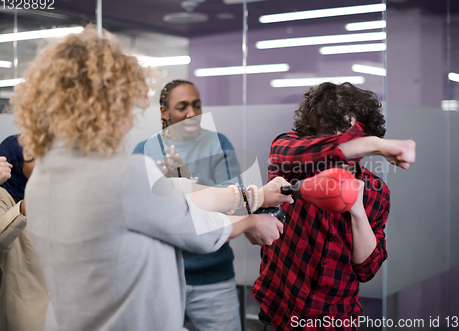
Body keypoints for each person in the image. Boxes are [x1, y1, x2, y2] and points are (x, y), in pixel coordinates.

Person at [12, 27, 291, 331]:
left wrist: (247, 196)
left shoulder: (41, 179)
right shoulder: (124, 173)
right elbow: (196, 227)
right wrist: (253, 210)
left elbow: (171, 203)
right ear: (108, 104)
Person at [251, 82, 416, 331]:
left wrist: (357, 211)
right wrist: (376, 145)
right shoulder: (292, 162)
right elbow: (285, 152)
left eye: (347, 131)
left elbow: (367, 268)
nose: (338, 140)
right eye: (329, 131)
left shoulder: (376, 191)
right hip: (280, 309)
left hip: (335, 319)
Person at [134, 80, 247, 331]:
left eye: (197, 106)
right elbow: (139, 216)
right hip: (161, 278)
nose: (192, 114)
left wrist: (187, 183)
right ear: (165, 112)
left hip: (213, 277)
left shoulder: (218, 144)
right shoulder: (144, 151)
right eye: (182, 107)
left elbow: (236, 206)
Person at [0, 135, 49, 331]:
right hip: (26, 314)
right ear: (13, 163)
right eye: (31, 156)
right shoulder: (4, 195)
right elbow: (2, 239)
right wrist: (29, 202)